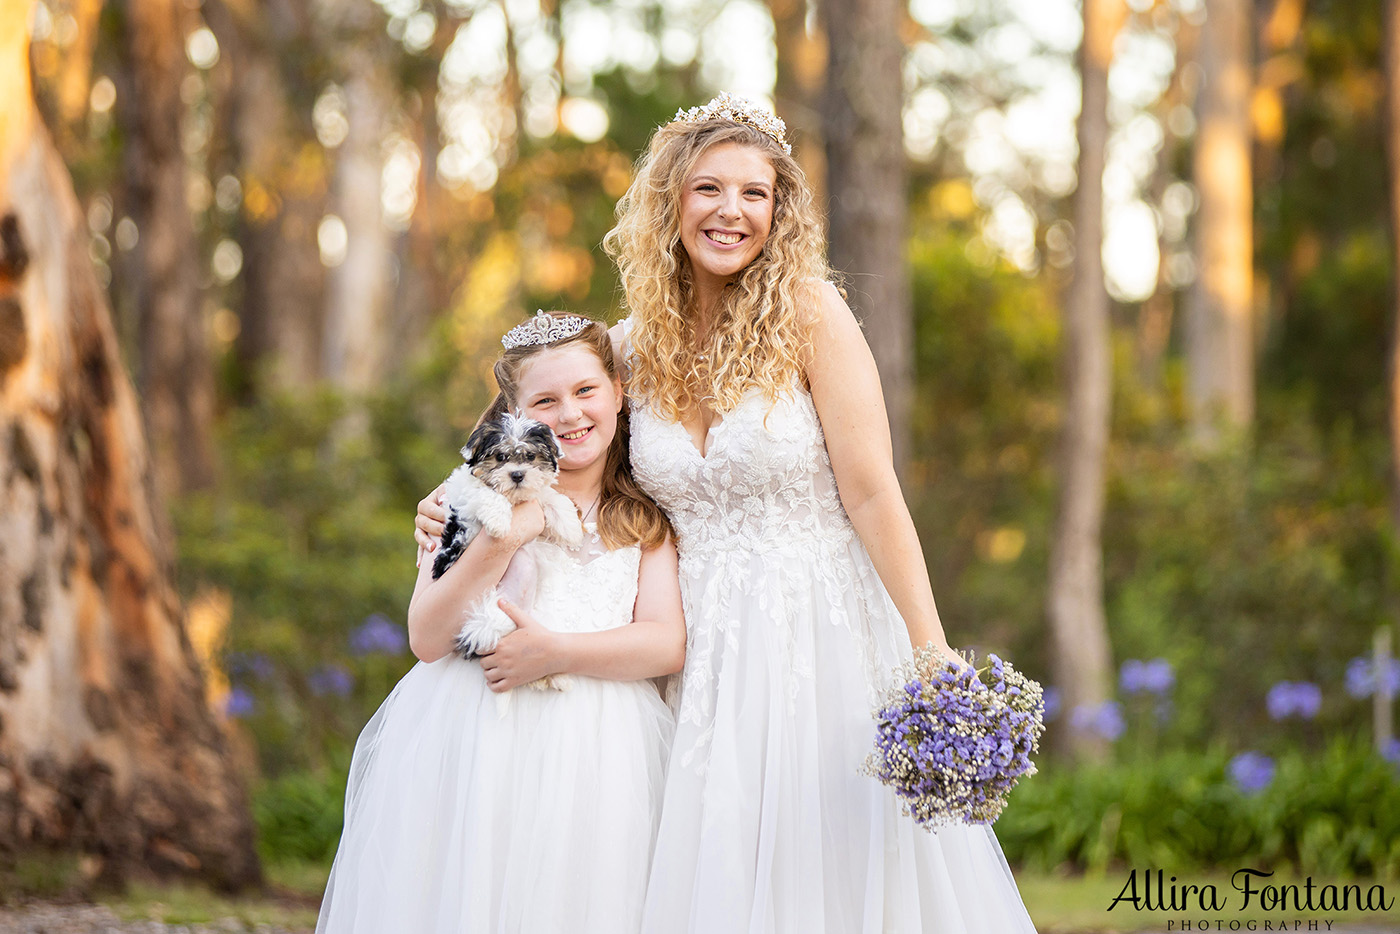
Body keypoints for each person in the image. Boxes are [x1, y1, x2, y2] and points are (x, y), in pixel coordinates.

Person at [417, 96, 1038, 931]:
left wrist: (929, 647)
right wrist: (453, 501)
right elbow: (524, 422)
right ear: (671, 202)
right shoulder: (630, 347)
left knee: (834, 847)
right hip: (697, 640)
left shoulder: (813, 315)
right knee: (717, 855)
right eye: (709, 189)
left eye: (755, 193)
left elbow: (872, 490)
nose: (731, 211)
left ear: (779, 212)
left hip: (823, 625)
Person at [323, 312, 685, 934]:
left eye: (586, 391)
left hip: (600, 751)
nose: (570, 414)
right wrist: (511, 532)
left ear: (619, 394)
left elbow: (666, 641)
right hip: (473, 734)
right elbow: (427, 636)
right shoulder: (464, 501)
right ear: (512, 415)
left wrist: (555, 652)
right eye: (545, 401)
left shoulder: (645, 518)